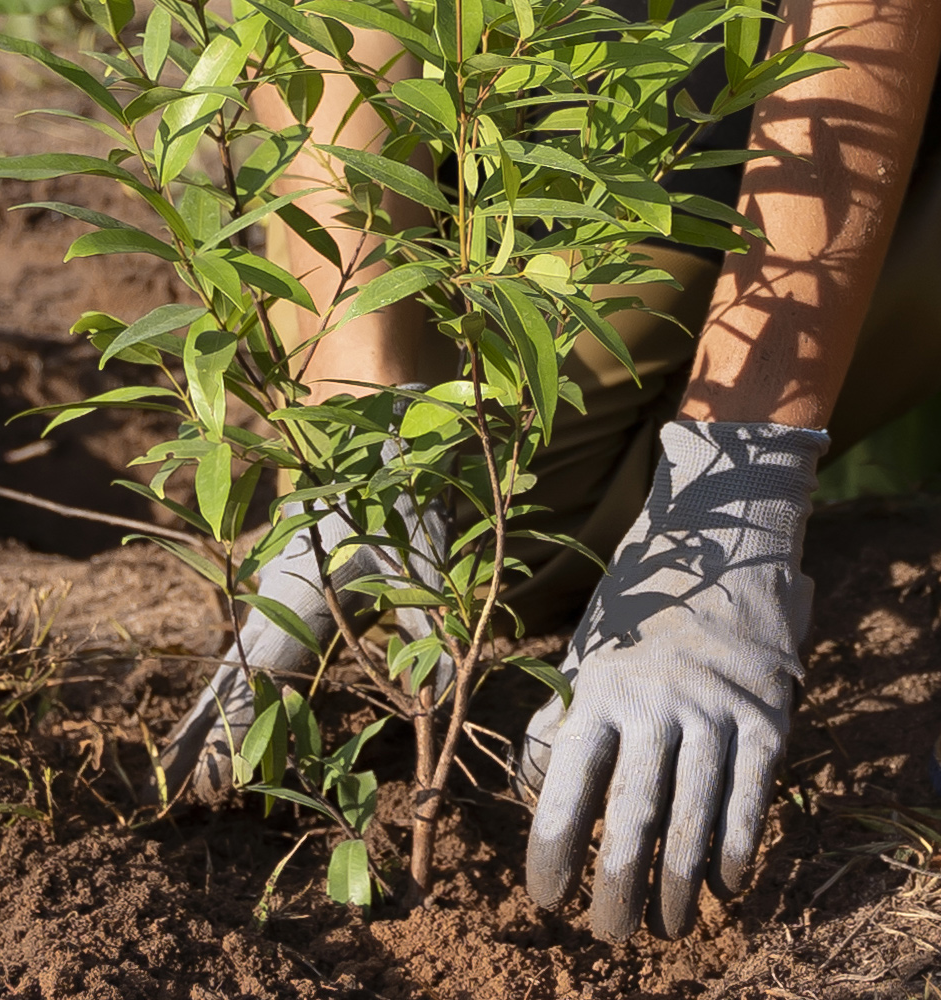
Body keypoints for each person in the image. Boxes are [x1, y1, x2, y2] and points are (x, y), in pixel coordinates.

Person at [155, 0, 941, 941]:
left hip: (775, 65)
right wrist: (358, 427)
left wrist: (740, 485)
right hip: (571, 55)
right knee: (504, 555)